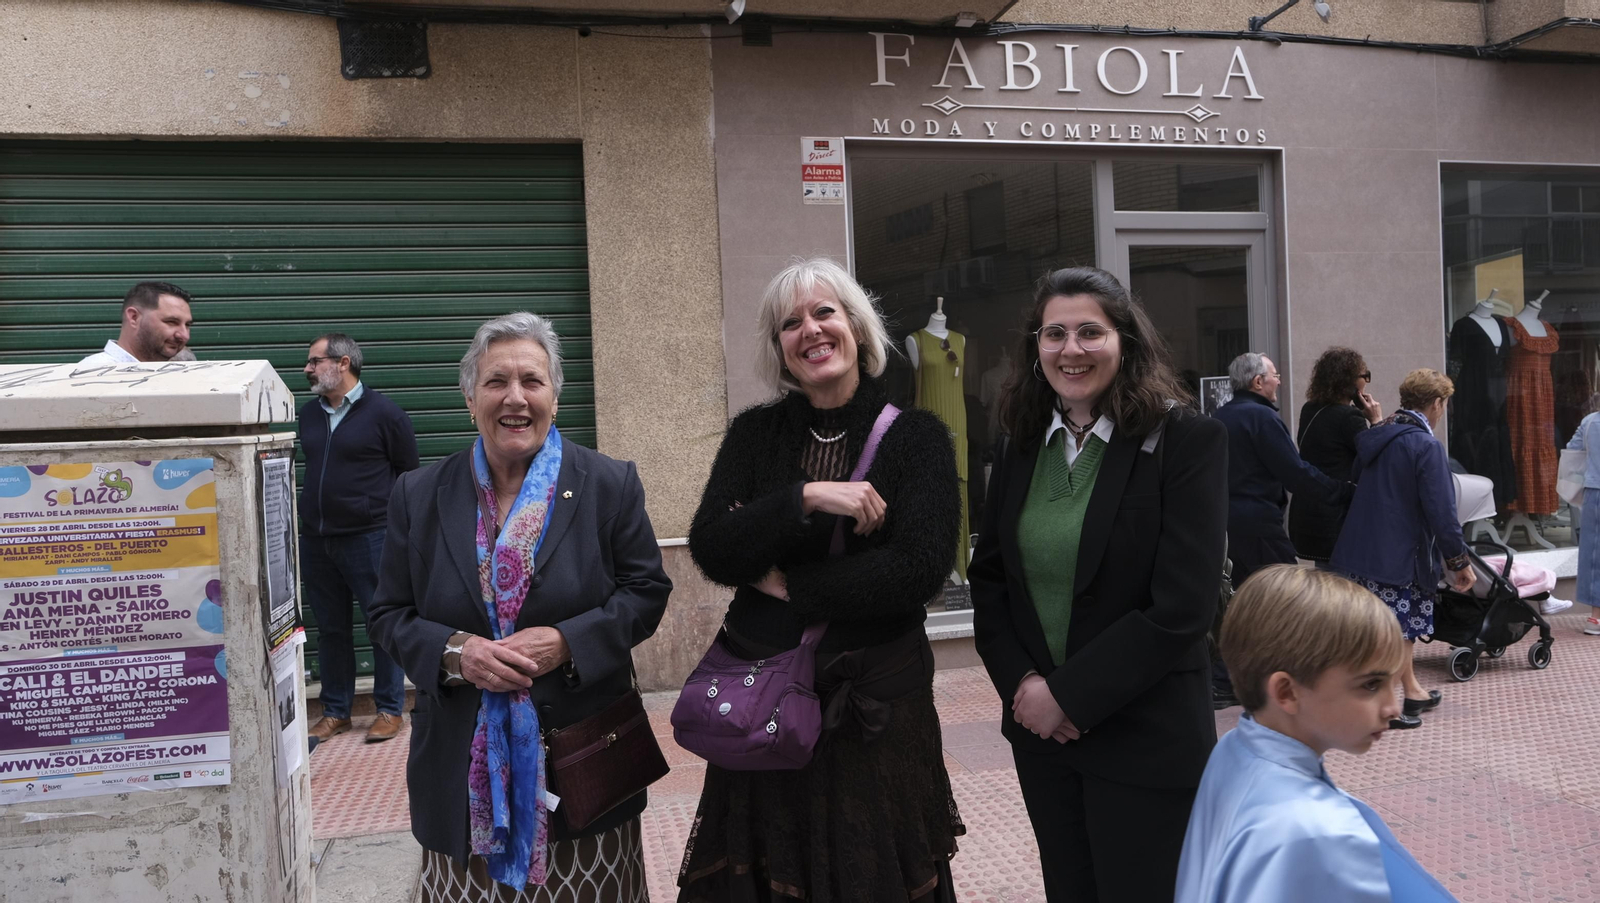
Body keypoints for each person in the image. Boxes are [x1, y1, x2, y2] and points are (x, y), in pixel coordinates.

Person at [677, 258, 965, 902]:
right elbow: (713, 549)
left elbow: (917, 570)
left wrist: (792, 584)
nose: (809, 330)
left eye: (824, 312)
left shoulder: (916, 438)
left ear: (857, 328)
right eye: (790, 322)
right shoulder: (756, 434)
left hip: (875, 718)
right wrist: (805, 497)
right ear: (780, 347)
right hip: (767, 707)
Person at [368, 312, 671, 901]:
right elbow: (388, 614)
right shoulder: (420, 494)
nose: (515, 398)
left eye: (532, 381)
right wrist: (456, 653)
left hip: (586, 763)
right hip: (459, 767)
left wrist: (566, 642)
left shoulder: (608, 483)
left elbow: (646, 592)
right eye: (496, 382)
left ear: (555, 396)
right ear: (469, 396)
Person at [969, 266, 1226, 902]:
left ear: (1125, 342)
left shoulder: (1186, 440)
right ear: (1035, 347)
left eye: (1090, 332)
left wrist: (1070, 697)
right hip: (1045, 742)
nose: (1071, 349)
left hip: (1146, 736)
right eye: (1054, 333)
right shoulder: (1021, 446)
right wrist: (1026, 688)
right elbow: (992, 579)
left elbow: (1183, 607)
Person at [1176, 565, 1458, 903]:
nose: (1394, 708)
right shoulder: (1313, 831)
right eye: (1370, 685)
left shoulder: (1236, 750)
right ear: (1287, 693)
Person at [1330, 369, 1475, 730]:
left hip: (1362, 552)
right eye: (1444, 405)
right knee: (1401, 631)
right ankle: (1391, 706)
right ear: (1436, 404)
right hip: (1399, 555)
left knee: (1386, 629)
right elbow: (1442, 513)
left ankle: (1413, 692)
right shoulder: (1425, 446)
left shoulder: (1377, 435)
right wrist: (1459, 561)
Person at [1213, 352, 1352, 708]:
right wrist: (1341, 492)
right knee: (1288, 597)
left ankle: (1228, 680)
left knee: (1239, 604)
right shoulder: (1260, 418)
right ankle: (1297, 677)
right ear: (1258, 382)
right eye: (1275, 375)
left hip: (1225, 525)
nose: (1280, 381)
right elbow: (1295, 472)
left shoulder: (1220, 417)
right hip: (1259, 523)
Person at [299, 333, 419, 743]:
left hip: (370, 536)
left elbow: (408, 473)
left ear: (343, 362)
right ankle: (336, 712)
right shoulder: (309, 415)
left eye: (315, 361)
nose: (308, 369)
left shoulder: (385, 413)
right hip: (317, 540)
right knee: (330, 629)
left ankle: (389, 709)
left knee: (381, 622)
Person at [1288, 348, 1382, 564]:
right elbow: (1376, 456)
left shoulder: (1309, 408)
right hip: (1338, 517)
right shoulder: (1348, 416)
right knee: (1343, 588)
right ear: (1349, 380)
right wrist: (1376, 420)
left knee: (1326, 584)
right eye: (1364, 376)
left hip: (1312, 513)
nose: (1366, 382)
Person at [77, 281, 194, 365]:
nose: (184, 335)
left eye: (187, 325)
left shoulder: (183, 373)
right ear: (134, 317)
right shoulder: (89, 374)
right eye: (172, 322)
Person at [1565, 400, 1600, 635]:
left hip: (1594, 491)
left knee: (1594, 553)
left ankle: (1596, 617)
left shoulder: (1589, 422)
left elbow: (1572, 450)